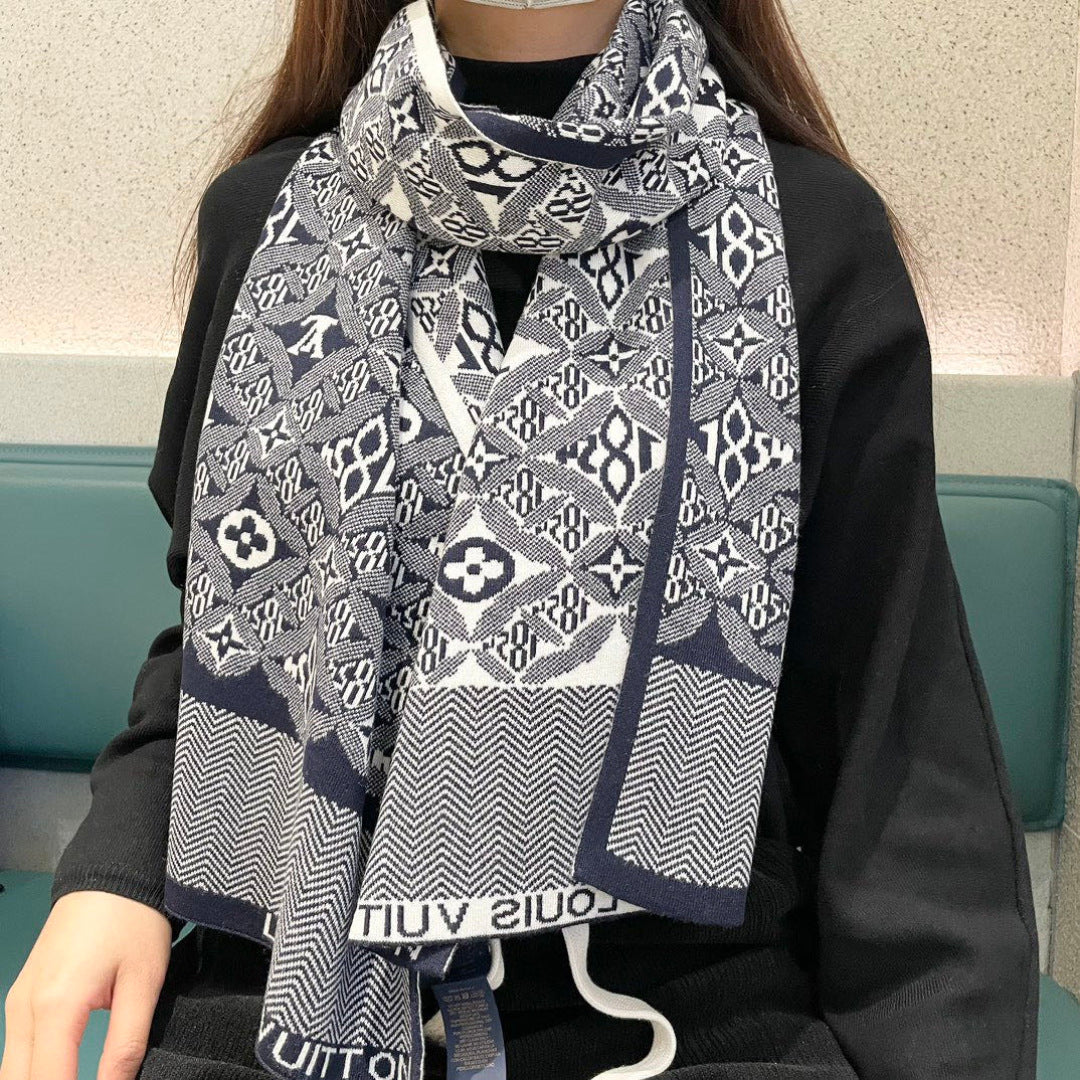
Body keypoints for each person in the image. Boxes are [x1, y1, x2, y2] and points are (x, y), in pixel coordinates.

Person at [0, 0, 1039, 1078]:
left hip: (687, 1013)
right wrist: (115, 874)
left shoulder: (805, 233)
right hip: (279, 983)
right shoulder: (265, 220)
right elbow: (229, 626)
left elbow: (894, 717)